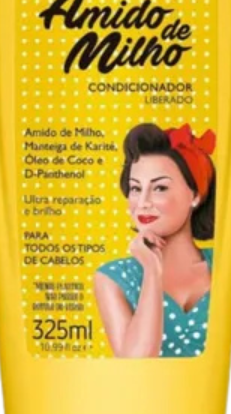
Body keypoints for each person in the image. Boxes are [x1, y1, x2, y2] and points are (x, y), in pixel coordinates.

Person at [92, 123, 216, 358]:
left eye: (159, 188)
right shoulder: (113, 278)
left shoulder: (229, 265)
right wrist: (152, 270)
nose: (143, 203)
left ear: (195, 194)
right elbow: (136, 365)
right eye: (135, 189)